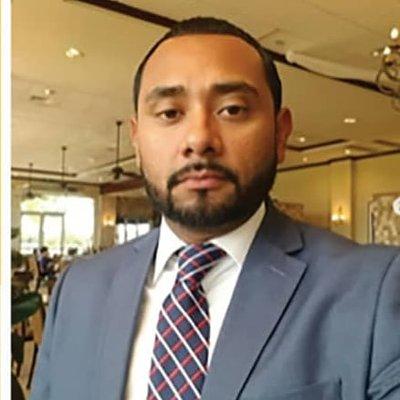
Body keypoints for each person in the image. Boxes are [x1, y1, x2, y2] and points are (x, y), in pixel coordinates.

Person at [30, 17, 400, 400]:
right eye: (170, 113)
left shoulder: (376, 290)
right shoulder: (79, 289)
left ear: (280, 133)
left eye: (233, 109)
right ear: (137, 141)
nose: (199, 138)